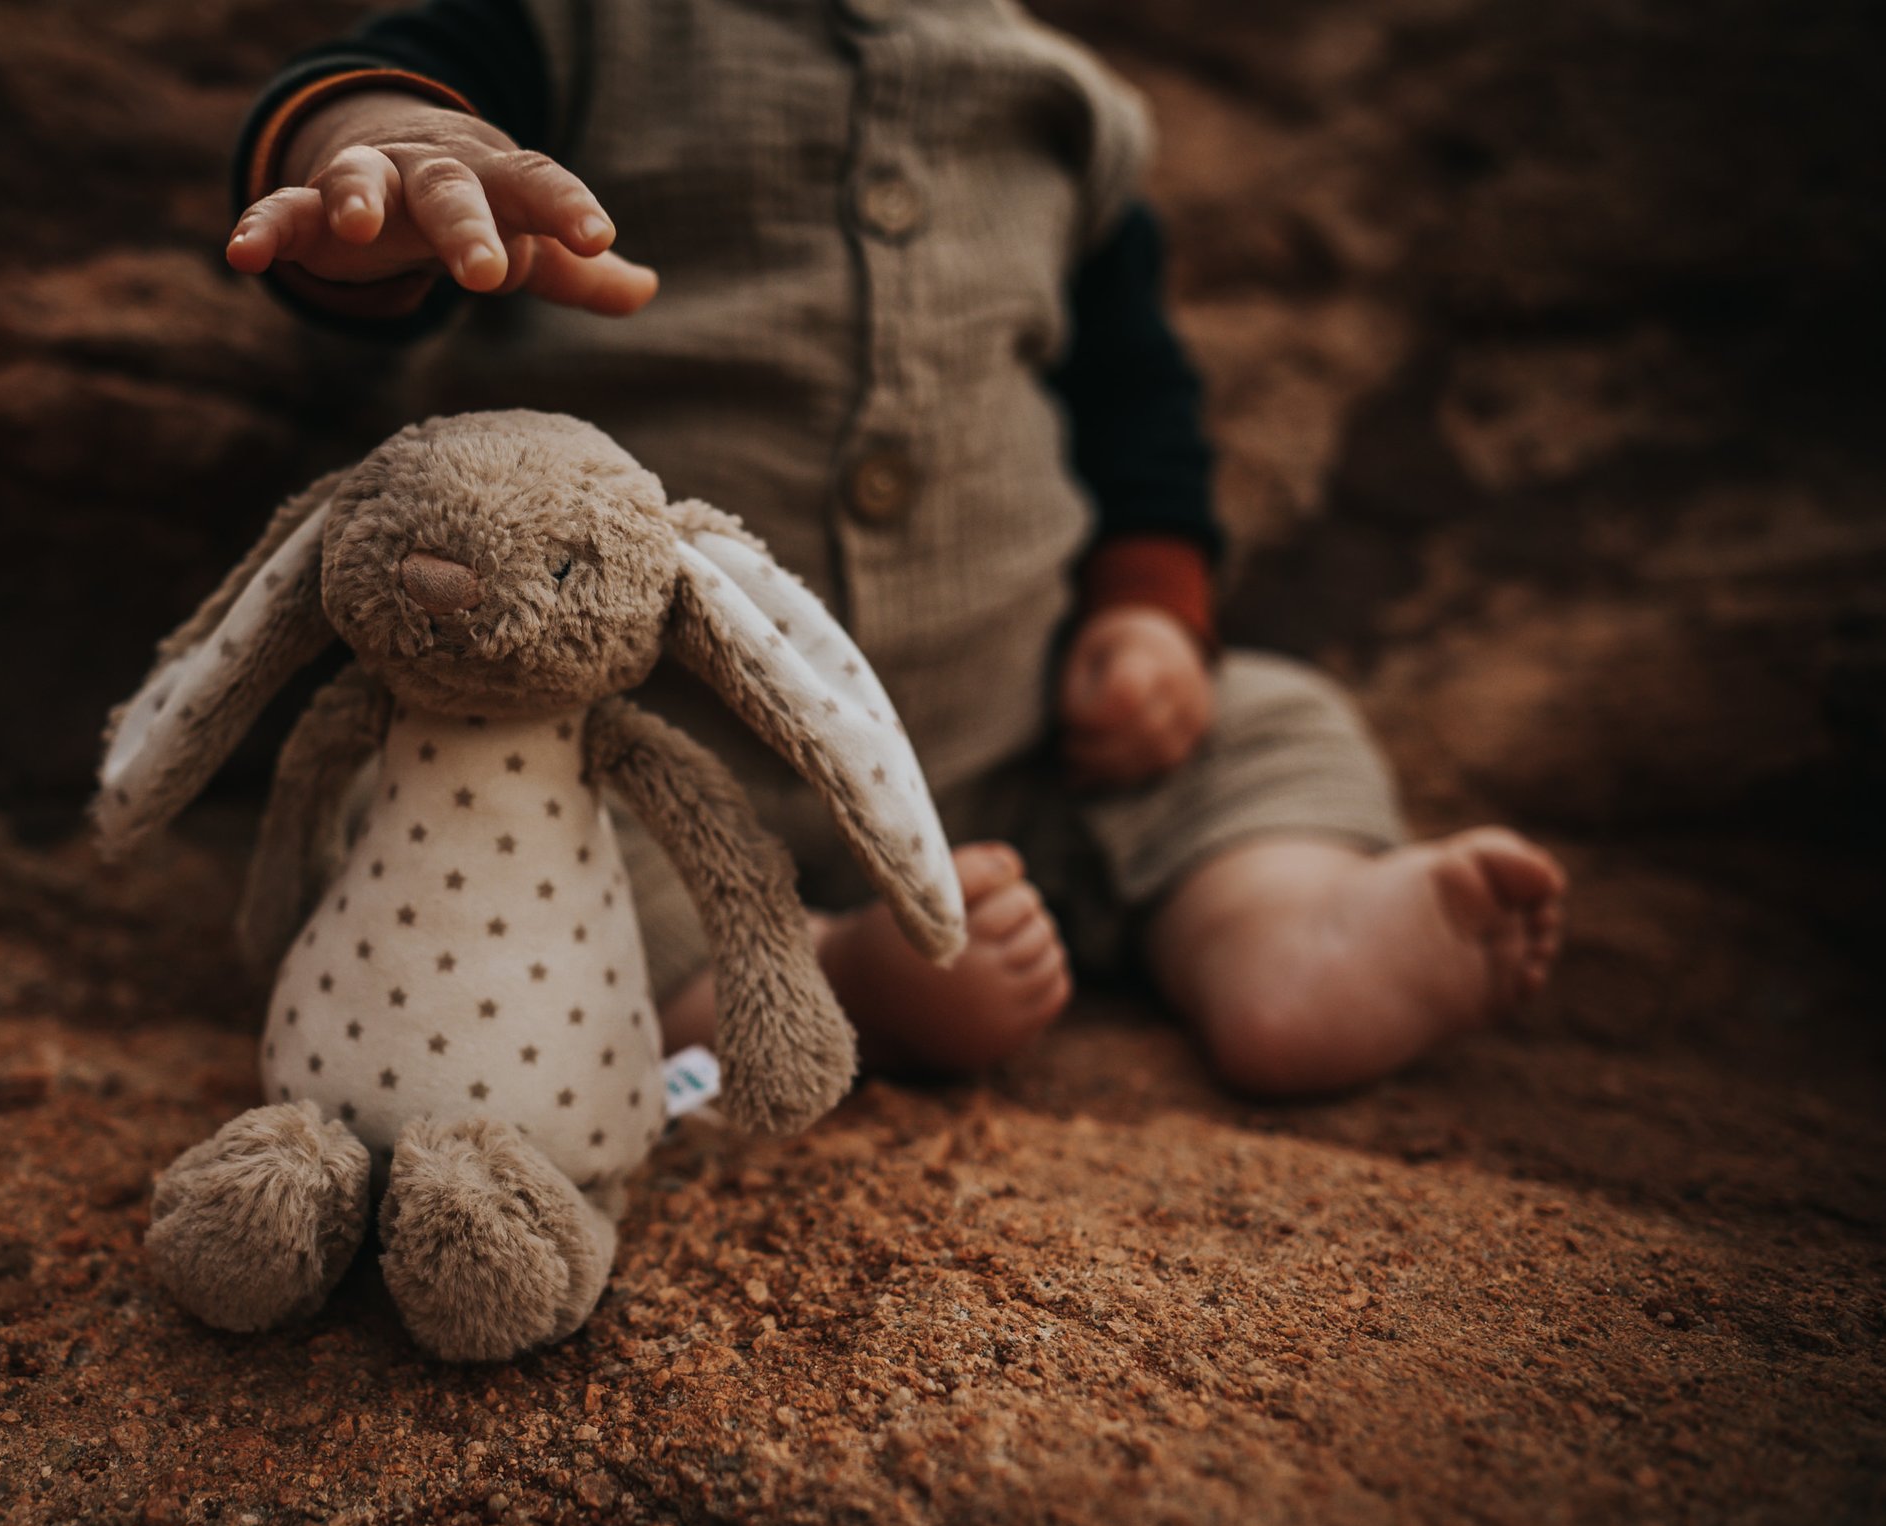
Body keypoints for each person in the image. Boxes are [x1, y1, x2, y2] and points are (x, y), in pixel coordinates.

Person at [219, 0, 1567, 1096]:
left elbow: (1137, 405)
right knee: (441, 818)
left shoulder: (1058, 103)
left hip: (1013, 748)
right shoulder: (573, 30)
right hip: (624, 744)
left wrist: (1151, 613)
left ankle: (1289, 929)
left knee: (1273, 723)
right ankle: (830, 980)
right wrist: (383, 161)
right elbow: (369, 95)